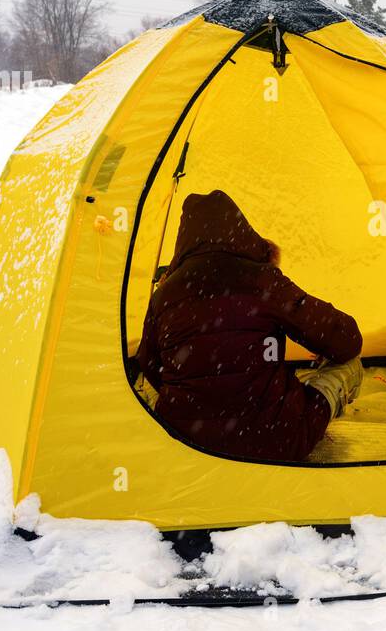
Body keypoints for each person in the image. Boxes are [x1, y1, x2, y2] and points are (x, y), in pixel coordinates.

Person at [137, 190, 363, 461]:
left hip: (184, 443)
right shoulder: (263, 281)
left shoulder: (164, 294)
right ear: (242, 231)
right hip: (272, 442)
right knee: (350, 363)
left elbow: (149, 364)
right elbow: (346, 339)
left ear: (183, 240)